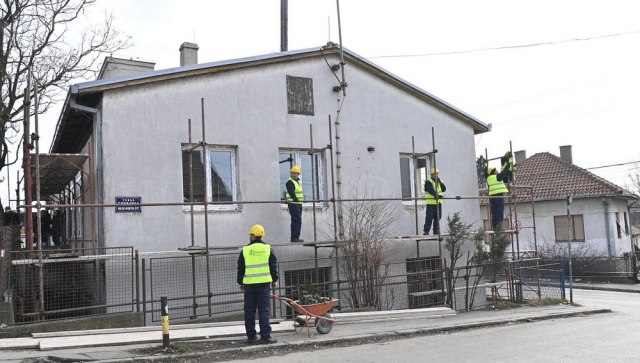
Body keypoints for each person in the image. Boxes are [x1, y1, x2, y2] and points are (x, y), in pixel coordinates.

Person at [237, 224, 278, 344]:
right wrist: (274, 280)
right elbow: (273, 267)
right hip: (264, 285)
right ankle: (265, 337)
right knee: (264, 311)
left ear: (253, 236)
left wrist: (241, 282)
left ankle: (251, 337)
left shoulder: (245, 250)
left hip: (249, 285)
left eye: (250, 234)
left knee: (249, 311)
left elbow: (240, 268)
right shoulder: (268, 249)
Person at [486, 153, 513, 230]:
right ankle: (498, 228)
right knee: (499, 212)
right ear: (494, 172)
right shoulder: (497, 177)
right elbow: (505, 171)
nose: (497, 171)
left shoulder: (488, 178)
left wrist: (485, 165)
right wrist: (509, 162)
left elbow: (485, 172)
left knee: (494, 214)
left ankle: (495, 228)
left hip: (492, 197)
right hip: (499, 196)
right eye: (496, 170)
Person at [423, 168, 446, 235]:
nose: (436, 175)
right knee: (429, 217)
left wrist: (440, 182)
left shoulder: (439, 181)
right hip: (431, 202)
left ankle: (435, 231)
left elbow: (444, 189)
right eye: (435, 174)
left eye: (437, 174)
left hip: (438, 202)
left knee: (438, 217)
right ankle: (426, 231)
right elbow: (430, 190)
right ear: (432, 175)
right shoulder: (428, 182)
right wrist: (437, 195)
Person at [284, 165, 304, 242]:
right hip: (293, 203)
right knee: (297, 220)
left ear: (298, 174)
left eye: (296, 173)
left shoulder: (297, 182)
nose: (295, 174)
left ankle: (295, 237)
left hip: (298, 204)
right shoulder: (289, 182)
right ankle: (294, 237)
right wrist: (295, 198)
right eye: (293, 172)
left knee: (297, 220)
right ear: (291, 173)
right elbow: (291, 192)